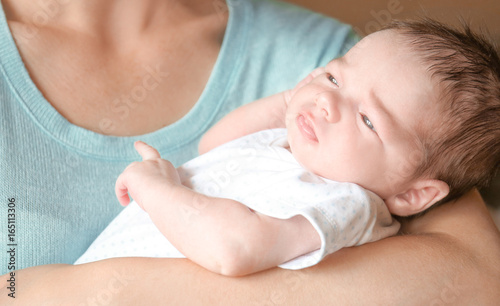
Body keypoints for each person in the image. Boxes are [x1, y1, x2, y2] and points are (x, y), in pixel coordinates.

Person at [1, 0, 499, 304]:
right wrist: (295, 99)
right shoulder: (302, 145)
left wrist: (156, 192)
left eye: (368, 121)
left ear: (415, 194)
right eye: (332, 74)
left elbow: (233, 248)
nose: (328, 102)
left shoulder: (345, 203)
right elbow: (216, 146)